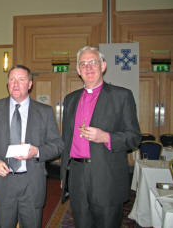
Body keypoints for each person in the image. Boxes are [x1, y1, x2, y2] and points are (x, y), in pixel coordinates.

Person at [60, 46, 141, 228]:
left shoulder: (122, 96)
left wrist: (106, 137)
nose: (88, 67)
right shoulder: (70, 99)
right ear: (78, 71)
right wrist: (65, 176)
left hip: (106, 176)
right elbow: (66, 139)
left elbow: (134, 137)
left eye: (93, 62)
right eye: (83, 64)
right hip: (77, 175)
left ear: (103, 66)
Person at [0, 65, 64, 228]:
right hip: (2, 182)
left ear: (30, 84)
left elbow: (58, 145)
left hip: (31, 184)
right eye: (12, 79)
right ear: (7, 83)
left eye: (21, 79)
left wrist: (37, 151)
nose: (16, 84)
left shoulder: (44, 111)